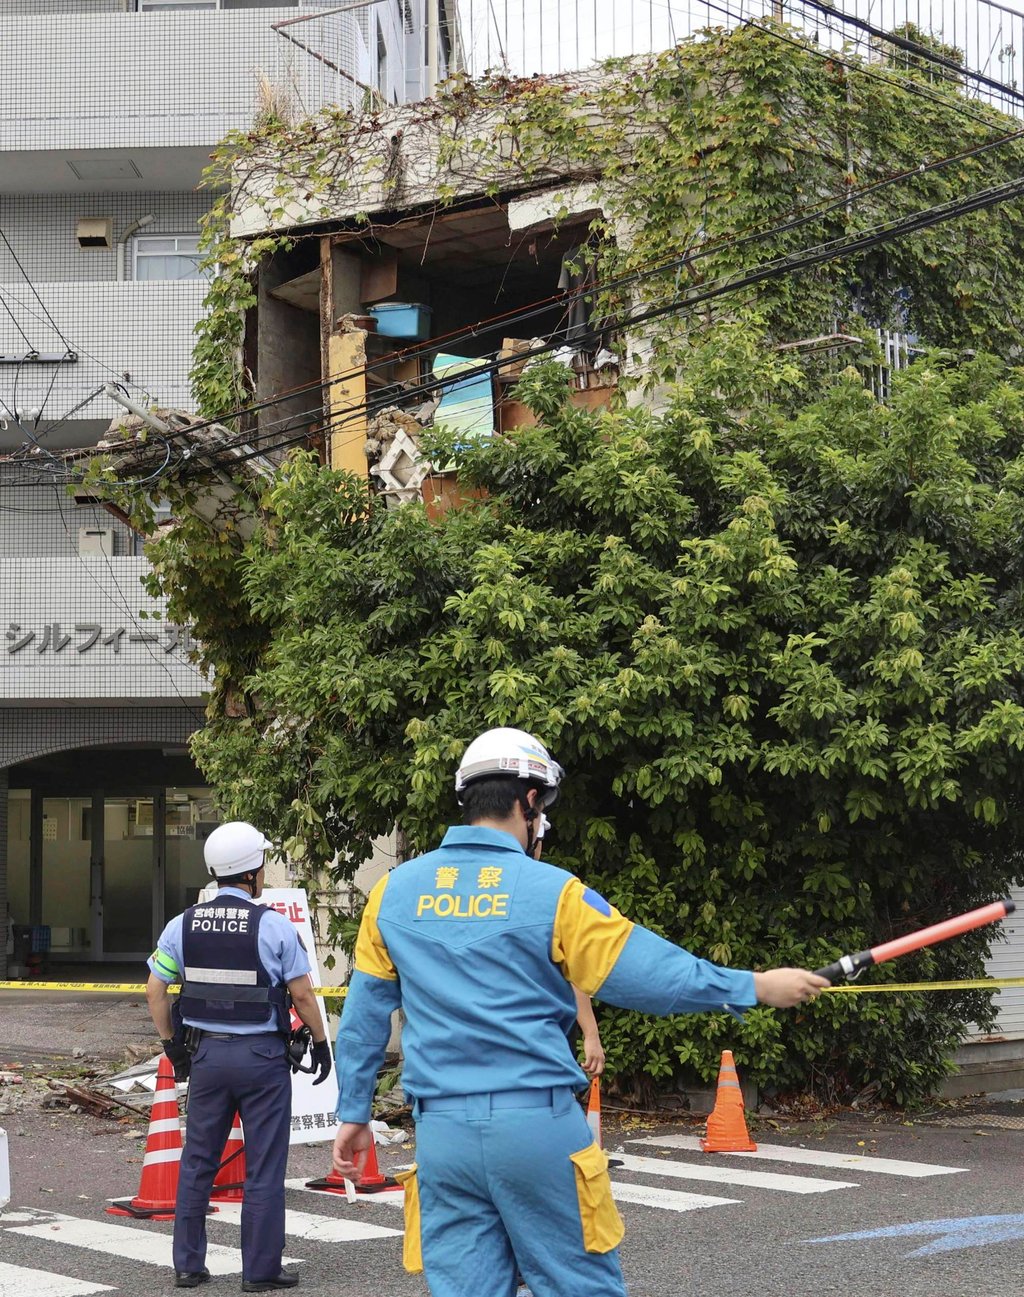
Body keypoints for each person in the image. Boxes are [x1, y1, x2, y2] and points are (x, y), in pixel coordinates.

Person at [331, 727, 829, 1297]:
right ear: (530, 802)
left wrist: (353, 1113)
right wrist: (754, 985)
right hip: (536, 1128)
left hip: (441, 1135)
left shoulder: (392, 893)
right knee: (577, 1285)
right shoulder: (554, 892)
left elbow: (366, 1016)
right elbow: (649, 973)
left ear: (468, 799)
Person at [146, 821, 333, 1292]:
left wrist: (173, 1045)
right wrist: (322, 1043)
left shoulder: (182, 924)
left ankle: (188, 1266)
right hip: (263, 1060)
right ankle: (260, 1271)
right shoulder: (273, 926)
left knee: (198, 1162)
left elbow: (155, 990)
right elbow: (304, 997)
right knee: (265, 1166)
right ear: (252, 872)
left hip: (207, 1058)